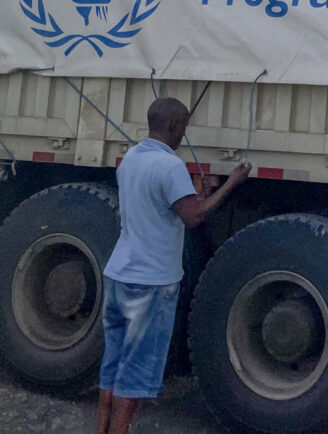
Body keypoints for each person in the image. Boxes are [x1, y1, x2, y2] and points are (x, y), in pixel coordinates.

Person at [97, 96, 251, 434]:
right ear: (172, 126)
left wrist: (197, 191)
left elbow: (158, 204)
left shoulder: (131, 159)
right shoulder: (170, 167)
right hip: (150, 285)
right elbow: (193, 216)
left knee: (111, 371)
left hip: (119, 276)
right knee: (134, 384)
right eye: (182, 128)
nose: (183, 135)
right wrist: (230, 184)